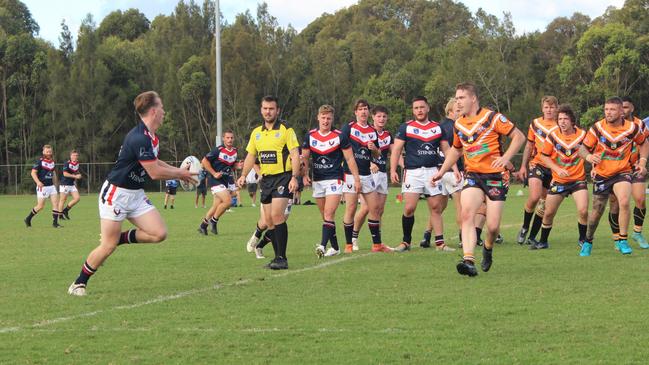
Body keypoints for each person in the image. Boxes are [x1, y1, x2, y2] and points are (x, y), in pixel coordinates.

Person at [68, 91, 195, 296]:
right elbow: (153, 172)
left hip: (135, 195)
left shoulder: (152, 137)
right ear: (153, 111)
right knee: (107, 247)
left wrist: (178, 172)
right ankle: (78, 283)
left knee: (159, 233)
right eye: (161, 107)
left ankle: (120, 238)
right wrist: (179, 173)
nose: (164, 111)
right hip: (116, 194)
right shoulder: (138, 138)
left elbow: (154, 162)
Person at [432, 82, 525, 277]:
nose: (458, 102)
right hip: (473, 175)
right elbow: (457, 150)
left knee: (492, 227)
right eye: (456, 98)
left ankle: (488, 248)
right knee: (467, 214)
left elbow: (518, 136)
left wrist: (506, 158)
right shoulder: (458, 124)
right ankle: (468, 261)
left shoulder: (492, 118)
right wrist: (442, 171)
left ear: (473, 98)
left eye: (461, 98)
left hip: (495, 176)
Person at [578, 97, 648, 256]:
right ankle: (588, 240)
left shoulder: (632, 128)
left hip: (622, 172)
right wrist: (589, 157)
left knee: (624, 201)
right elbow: (583, 149)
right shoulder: (597, 128)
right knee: (597, 211)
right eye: (606, 109)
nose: (608, 113)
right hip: (602, 174)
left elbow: (644, 143)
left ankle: (622, 240)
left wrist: (642, 162)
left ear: (621, 112)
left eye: (612, 109)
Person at [237, 95, 301, 270]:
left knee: (277, 215)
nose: (268, 111)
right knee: (269, 221)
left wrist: (295, 177)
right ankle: (277, 258)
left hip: (283, 177)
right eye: (265, 108)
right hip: (266, 180)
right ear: (261, 110)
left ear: (277, 110)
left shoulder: (287, 130)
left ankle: (282, 258)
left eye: (271, 108)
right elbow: (251, 156)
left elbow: (295, 154)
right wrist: (243, 175)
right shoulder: (256, 133)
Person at [390, 96, 458, 253]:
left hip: (432, 172)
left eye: (422, 107)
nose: (419, 110)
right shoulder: (405, 127)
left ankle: (440, 243)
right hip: (412, 172)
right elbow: (396, 150)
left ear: (428, 108)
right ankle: (405, 242)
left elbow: (447, 150)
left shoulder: (437, 127)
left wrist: (454, 169)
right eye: (416, 108)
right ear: (413, 111)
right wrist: (393, 170)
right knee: (409, 208)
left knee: (436, 207)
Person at [302, 104, 361, 257]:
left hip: (335, 179)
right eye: (323, 117)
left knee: (329, 213)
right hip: (318, 181)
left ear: (332, 119)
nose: (326, 121)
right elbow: (305, 158)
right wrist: (304, 175)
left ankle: (322, 246)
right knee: (326, 218)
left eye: (329, 118)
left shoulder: (340, 136)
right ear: (318, 117)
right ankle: (335, 247)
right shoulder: (310, 136)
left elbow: (349, 158)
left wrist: (356, 179)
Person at [531, 104, 588, 249]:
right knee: (549, 213)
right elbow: (544, 157)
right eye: (560, 119)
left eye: (565, 119)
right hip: (559, 180)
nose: (562, 122)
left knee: (583, 210)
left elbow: (592, 153)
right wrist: (557, 169)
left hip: (578, 179)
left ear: (572, 121)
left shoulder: (582, 135)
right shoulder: (553, 135)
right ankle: (543, 241)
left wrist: (594, 166)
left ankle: (583, 240)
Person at [339, 99, 393, 253]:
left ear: (368, 112)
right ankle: (349, 245)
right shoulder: (348, 128)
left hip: (367, 175)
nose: (363, 111)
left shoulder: (372, 131)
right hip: (350, 175)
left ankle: (377, 245)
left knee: (374, 208)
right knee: (350, 208)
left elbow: (377, 154)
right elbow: (343, 151)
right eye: (360, 109)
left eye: (365, 109)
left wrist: (374, 148)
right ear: (355, 112)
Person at [606, 97, 649, 249]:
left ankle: (637, 232)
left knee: (640, 199)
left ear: (631, 108)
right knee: (615, 204)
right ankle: (617, 238)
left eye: (625, 107)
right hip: (614, 170)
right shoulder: (607, 125)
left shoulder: (640, 124)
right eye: (621, 107)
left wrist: (642, 162)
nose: (623, 110)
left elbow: (644, 143)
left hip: (635, 168)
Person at [515, 96, 559, 245]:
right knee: (534, 197)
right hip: (537, 164)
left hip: (553, 168)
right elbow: (529, 146)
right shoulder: (536, 123)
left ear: (557, 108)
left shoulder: (561, 125)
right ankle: (525, 227)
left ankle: (532, 236)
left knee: (543, 203)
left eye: (552, 107)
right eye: (546, 107)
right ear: (542, 108)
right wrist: (523, 166)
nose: (549, 110)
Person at [420, 98, 463, 248]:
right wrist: (456, 168)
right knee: (461, 205)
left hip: (439, 171)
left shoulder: (438, 126)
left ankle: (426, 235)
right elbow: (452, 151)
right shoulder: (455, 127)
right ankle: (463, 237)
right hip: (451, 170)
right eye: (457, 110)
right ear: (450, 111)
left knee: (439, 207)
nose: (461, 112)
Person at [198, 131, 238, 235]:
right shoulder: (218, 150)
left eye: (231, 138)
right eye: (227, 138)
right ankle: (214, 221)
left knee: (216, 206)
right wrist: (214, 173)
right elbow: (204, 161)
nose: (230, 140)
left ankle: (203, 226)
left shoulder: (234, 151)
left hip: (224, 181)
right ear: (223, 139)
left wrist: (237, 166)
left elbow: (231, 166)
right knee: (228, 201)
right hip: (215, 180)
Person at [24, 144, 62, 228]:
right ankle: (28, 218)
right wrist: (38, 182)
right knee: (40, 206)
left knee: (56, 204)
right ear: (43, 152)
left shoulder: (52, 162)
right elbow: (33, 173)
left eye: (50, 151)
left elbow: (53, 173)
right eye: (47, 151)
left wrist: (56, 184)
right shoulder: (40, 162)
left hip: (51, 187)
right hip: (43, 187)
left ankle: (55, 223)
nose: (49, 153)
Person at [58, 149, 82, 220]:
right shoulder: (67, 163)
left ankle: (66, 210)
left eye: (76, 155)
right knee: (63, 200)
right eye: (73, 155)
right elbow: (65, 174)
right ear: (70, 156)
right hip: (65, 184)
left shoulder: (77, 163)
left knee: (77, 198)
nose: (75, 157)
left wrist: (79, 174)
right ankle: (60, 215)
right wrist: (75, 176)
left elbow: (76, 171)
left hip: (71, 184)